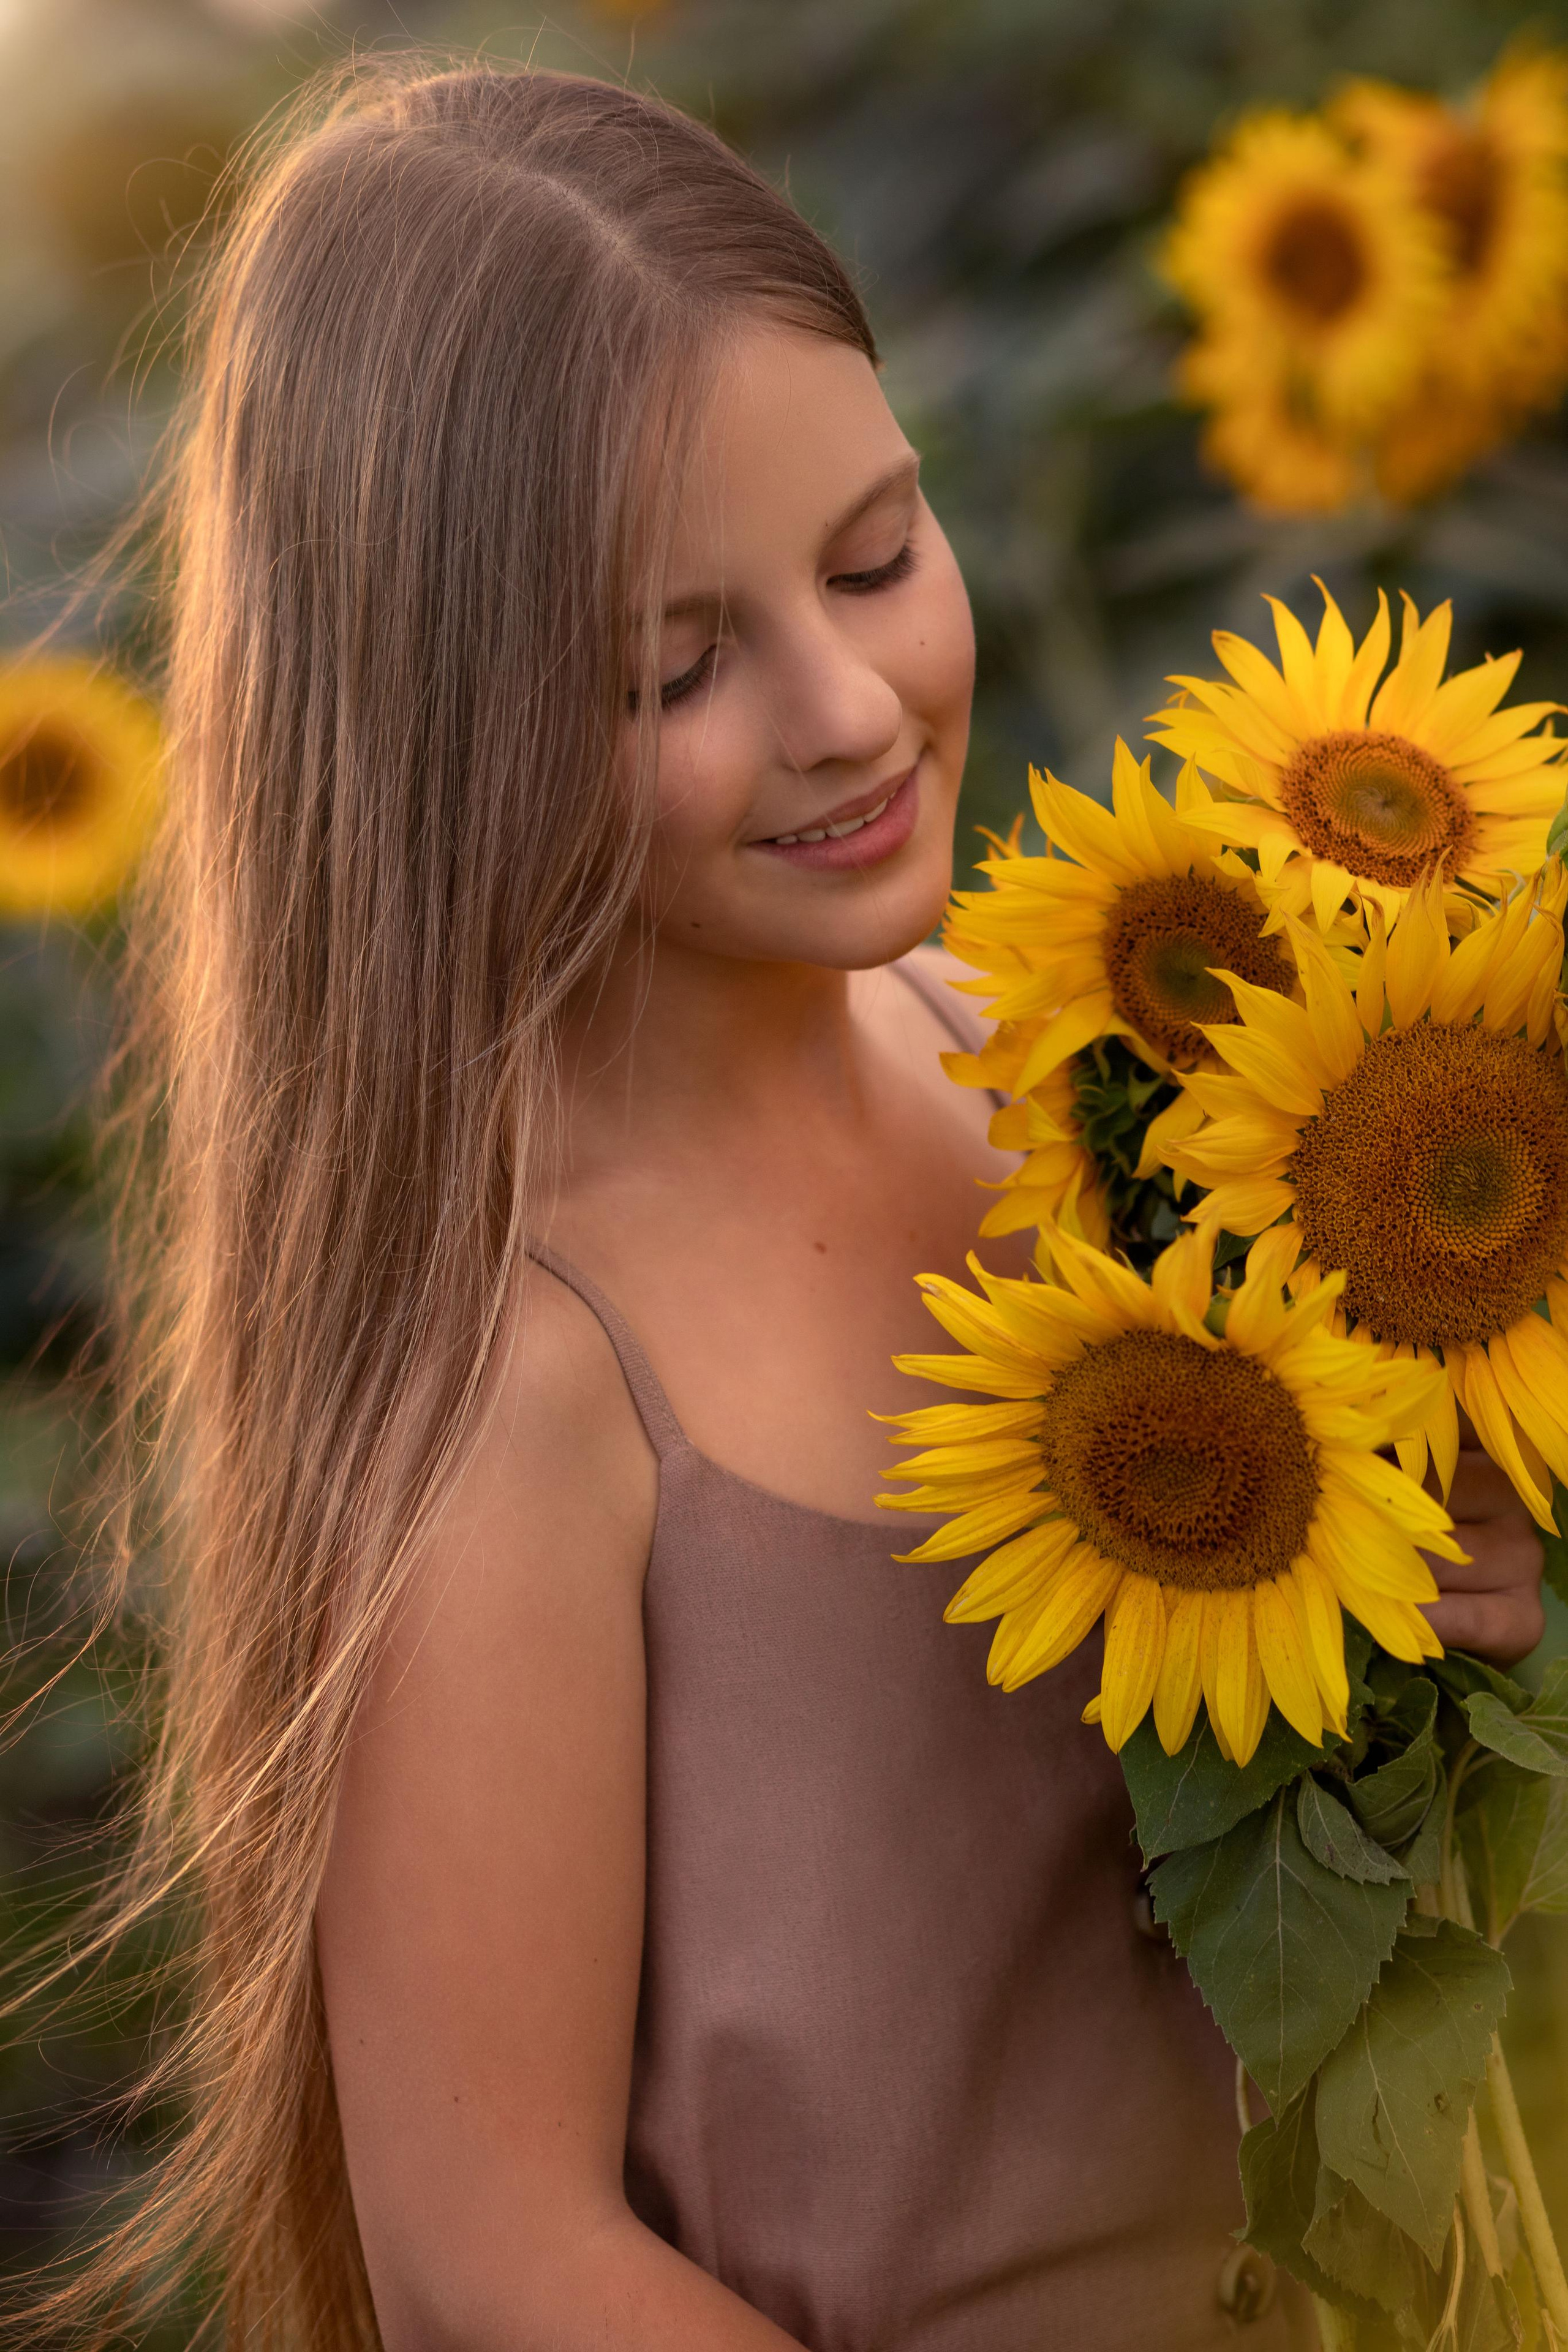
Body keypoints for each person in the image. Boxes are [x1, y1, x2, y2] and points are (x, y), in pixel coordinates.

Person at [60, 55, 1546, 2352]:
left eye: (879, 551)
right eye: (679, 667)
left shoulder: (1091, 1076)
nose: (851, 704)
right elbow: (496, 2252)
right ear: (449, 733)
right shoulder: (526, 1385)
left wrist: (1437, 1563)